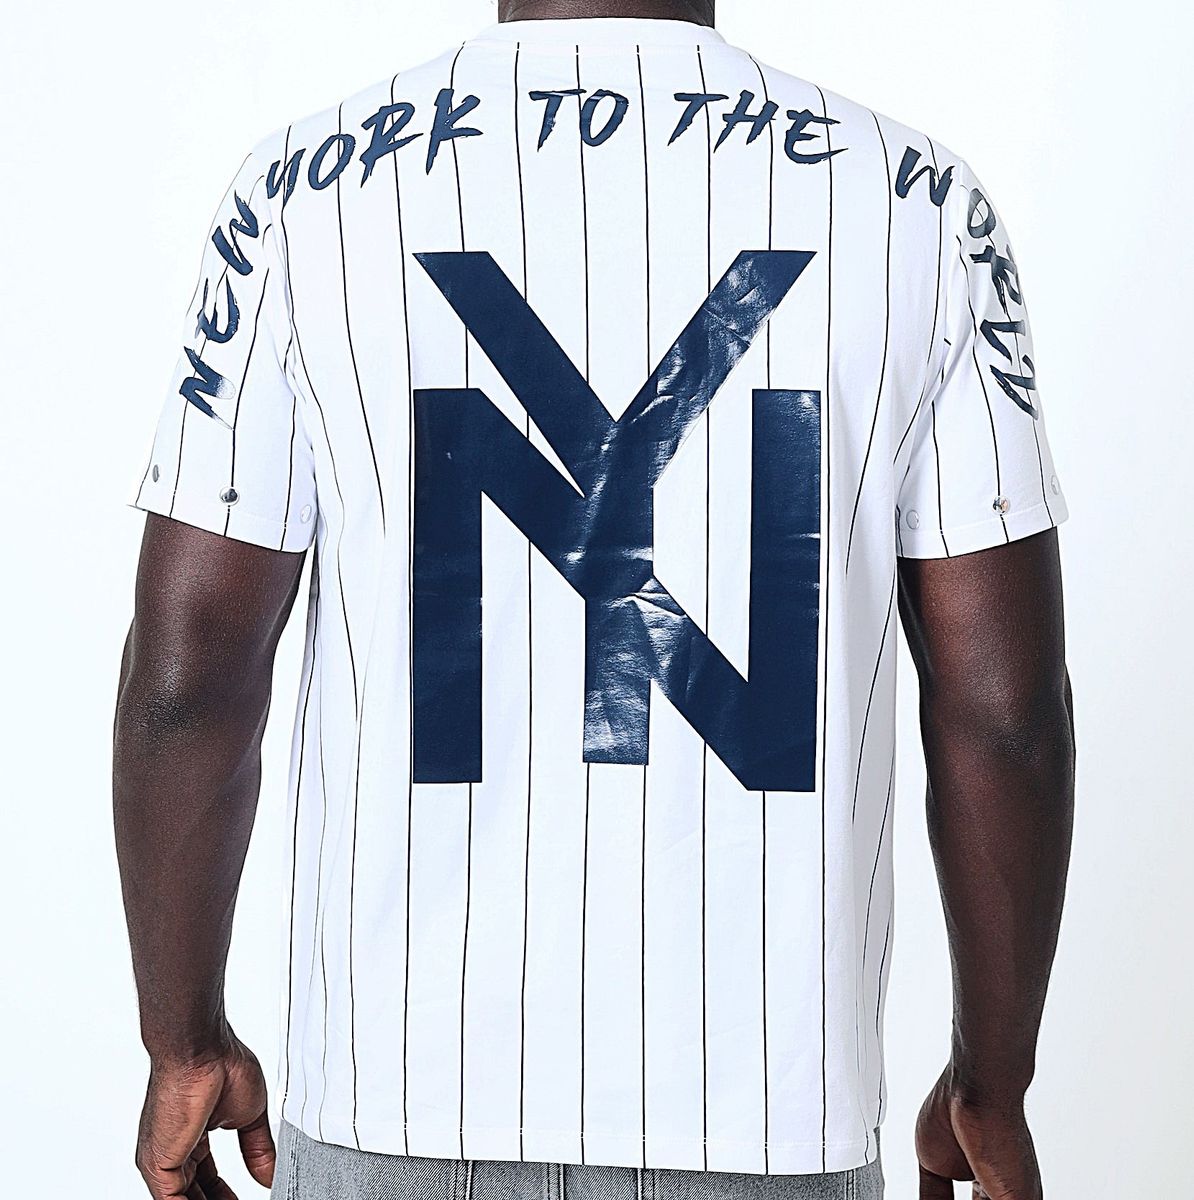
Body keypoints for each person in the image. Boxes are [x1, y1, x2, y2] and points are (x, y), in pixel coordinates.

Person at [113, 1, 1075, 1197]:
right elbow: (1006, 717)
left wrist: (183, 1040)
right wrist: (992, 1080)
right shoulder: (922, 209)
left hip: (395, 1097)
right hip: (767, 1113)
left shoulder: (301, 197)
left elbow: (189, 682)